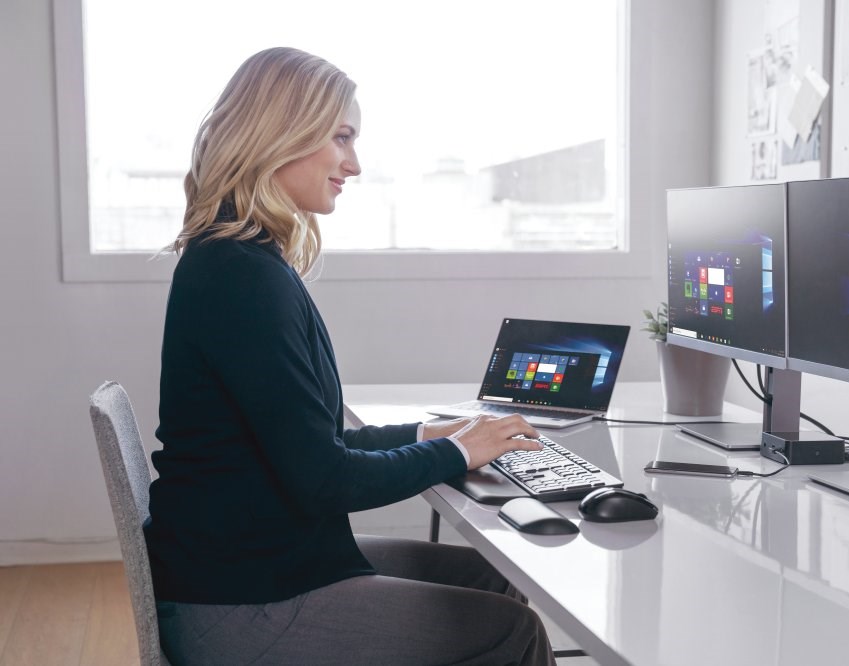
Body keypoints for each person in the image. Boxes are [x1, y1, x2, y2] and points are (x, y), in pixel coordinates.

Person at [145, 46, 557, 665]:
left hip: (253, 566)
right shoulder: (240, 276)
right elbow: (324, 480)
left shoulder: (241, 259)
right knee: (512, 632)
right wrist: (456, 451)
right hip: (241, 608)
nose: (354, 164)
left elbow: (313, 447)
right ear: (280, 133)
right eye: (341, 138)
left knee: (492, 576)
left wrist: (433, 432)